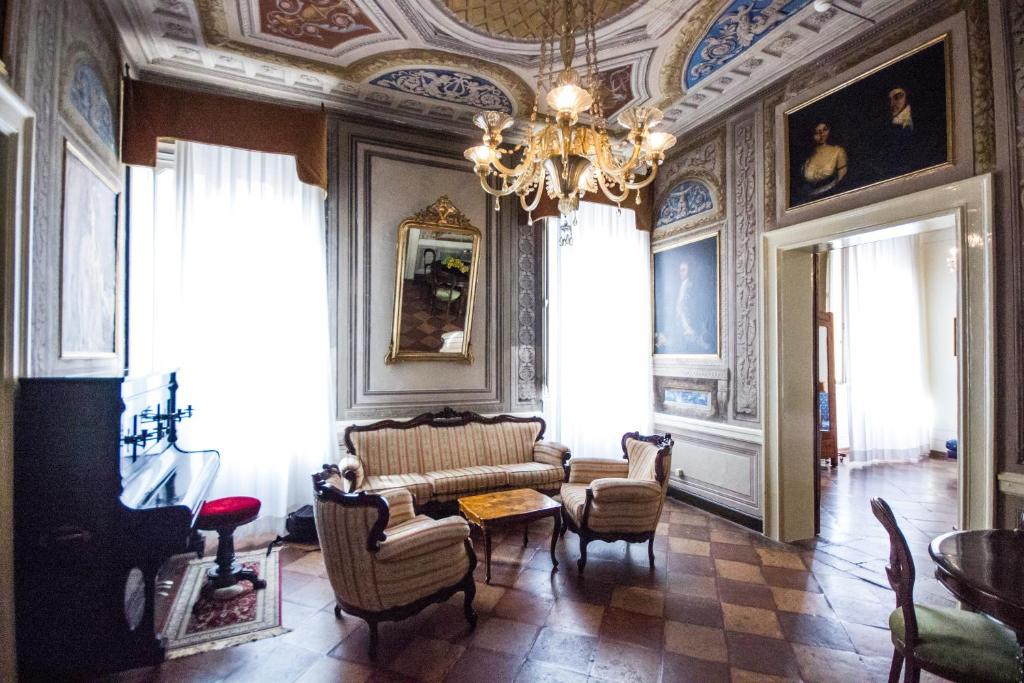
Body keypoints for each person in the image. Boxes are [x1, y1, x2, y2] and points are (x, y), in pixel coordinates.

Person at [800, 122, 848, 199]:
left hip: (831, 196)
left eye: (825, 130)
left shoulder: (838, 151)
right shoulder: (808, 155)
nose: (821, 134)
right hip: (808, 199)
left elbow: (842, 179)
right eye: (817, 132)